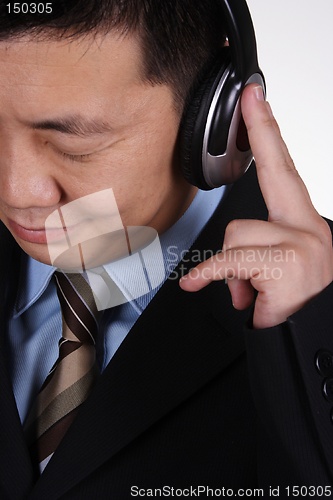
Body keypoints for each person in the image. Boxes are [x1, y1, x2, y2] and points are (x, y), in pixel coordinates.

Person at [0, 1, 332, 498]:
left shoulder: (319, 312)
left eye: (75, 146)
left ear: (216, 116)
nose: (16, 191)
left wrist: (306, 331)